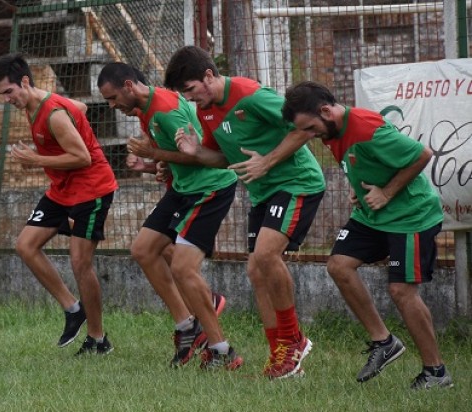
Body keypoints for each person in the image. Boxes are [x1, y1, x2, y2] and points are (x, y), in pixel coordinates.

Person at [159, 46, 326, 379]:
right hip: (262, 192)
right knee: (255, 270)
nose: (190, 99)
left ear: (209, 76)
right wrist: (194, 152)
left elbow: (305, 128)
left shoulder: (251, 95)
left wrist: (268, 161)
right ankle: (280, 357)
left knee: (265, 256)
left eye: (190, 90)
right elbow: (222, 158)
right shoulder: (206, 111)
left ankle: (293, 340)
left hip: (297, 183)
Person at [282, 81, 453, 389]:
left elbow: (422, 155)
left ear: (326, 111)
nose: (310, 135)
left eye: (310, 128)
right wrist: (359, 187)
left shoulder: (366, 128)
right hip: (372, 216)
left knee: (401, 291)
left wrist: (386, 192)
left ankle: (436, 372)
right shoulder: (331, 131)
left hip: (411, 216)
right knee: (339, 265)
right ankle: (384, 342)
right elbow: (362, 161)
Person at [97, 63, 238, 369]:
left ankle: (221, 350)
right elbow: (173, 154)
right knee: (143, 249)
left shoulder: (164, 110)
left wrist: (154, 156)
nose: (112, 106)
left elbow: (198, 155)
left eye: (112, 98)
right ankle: (187, 326)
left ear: (128, 86)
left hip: (209, 188)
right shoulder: (146, 108)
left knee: (183, 268)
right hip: (183, 188)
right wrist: (154, 166)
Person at [0, 54, 118, 356]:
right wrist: (73, 120)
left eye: (9, 92)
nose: (6, 99)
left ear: (25, 82)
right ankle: (73, 309)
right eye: (1, 94)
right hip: (62, 189)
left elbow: (82, 157)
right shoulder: (38, 104)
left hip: (91, 189)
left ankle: (98, 340)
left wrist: (37, 159)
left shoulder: (53, 114)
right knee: (26, 245)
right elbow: (80, 107)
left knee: (80, 263)